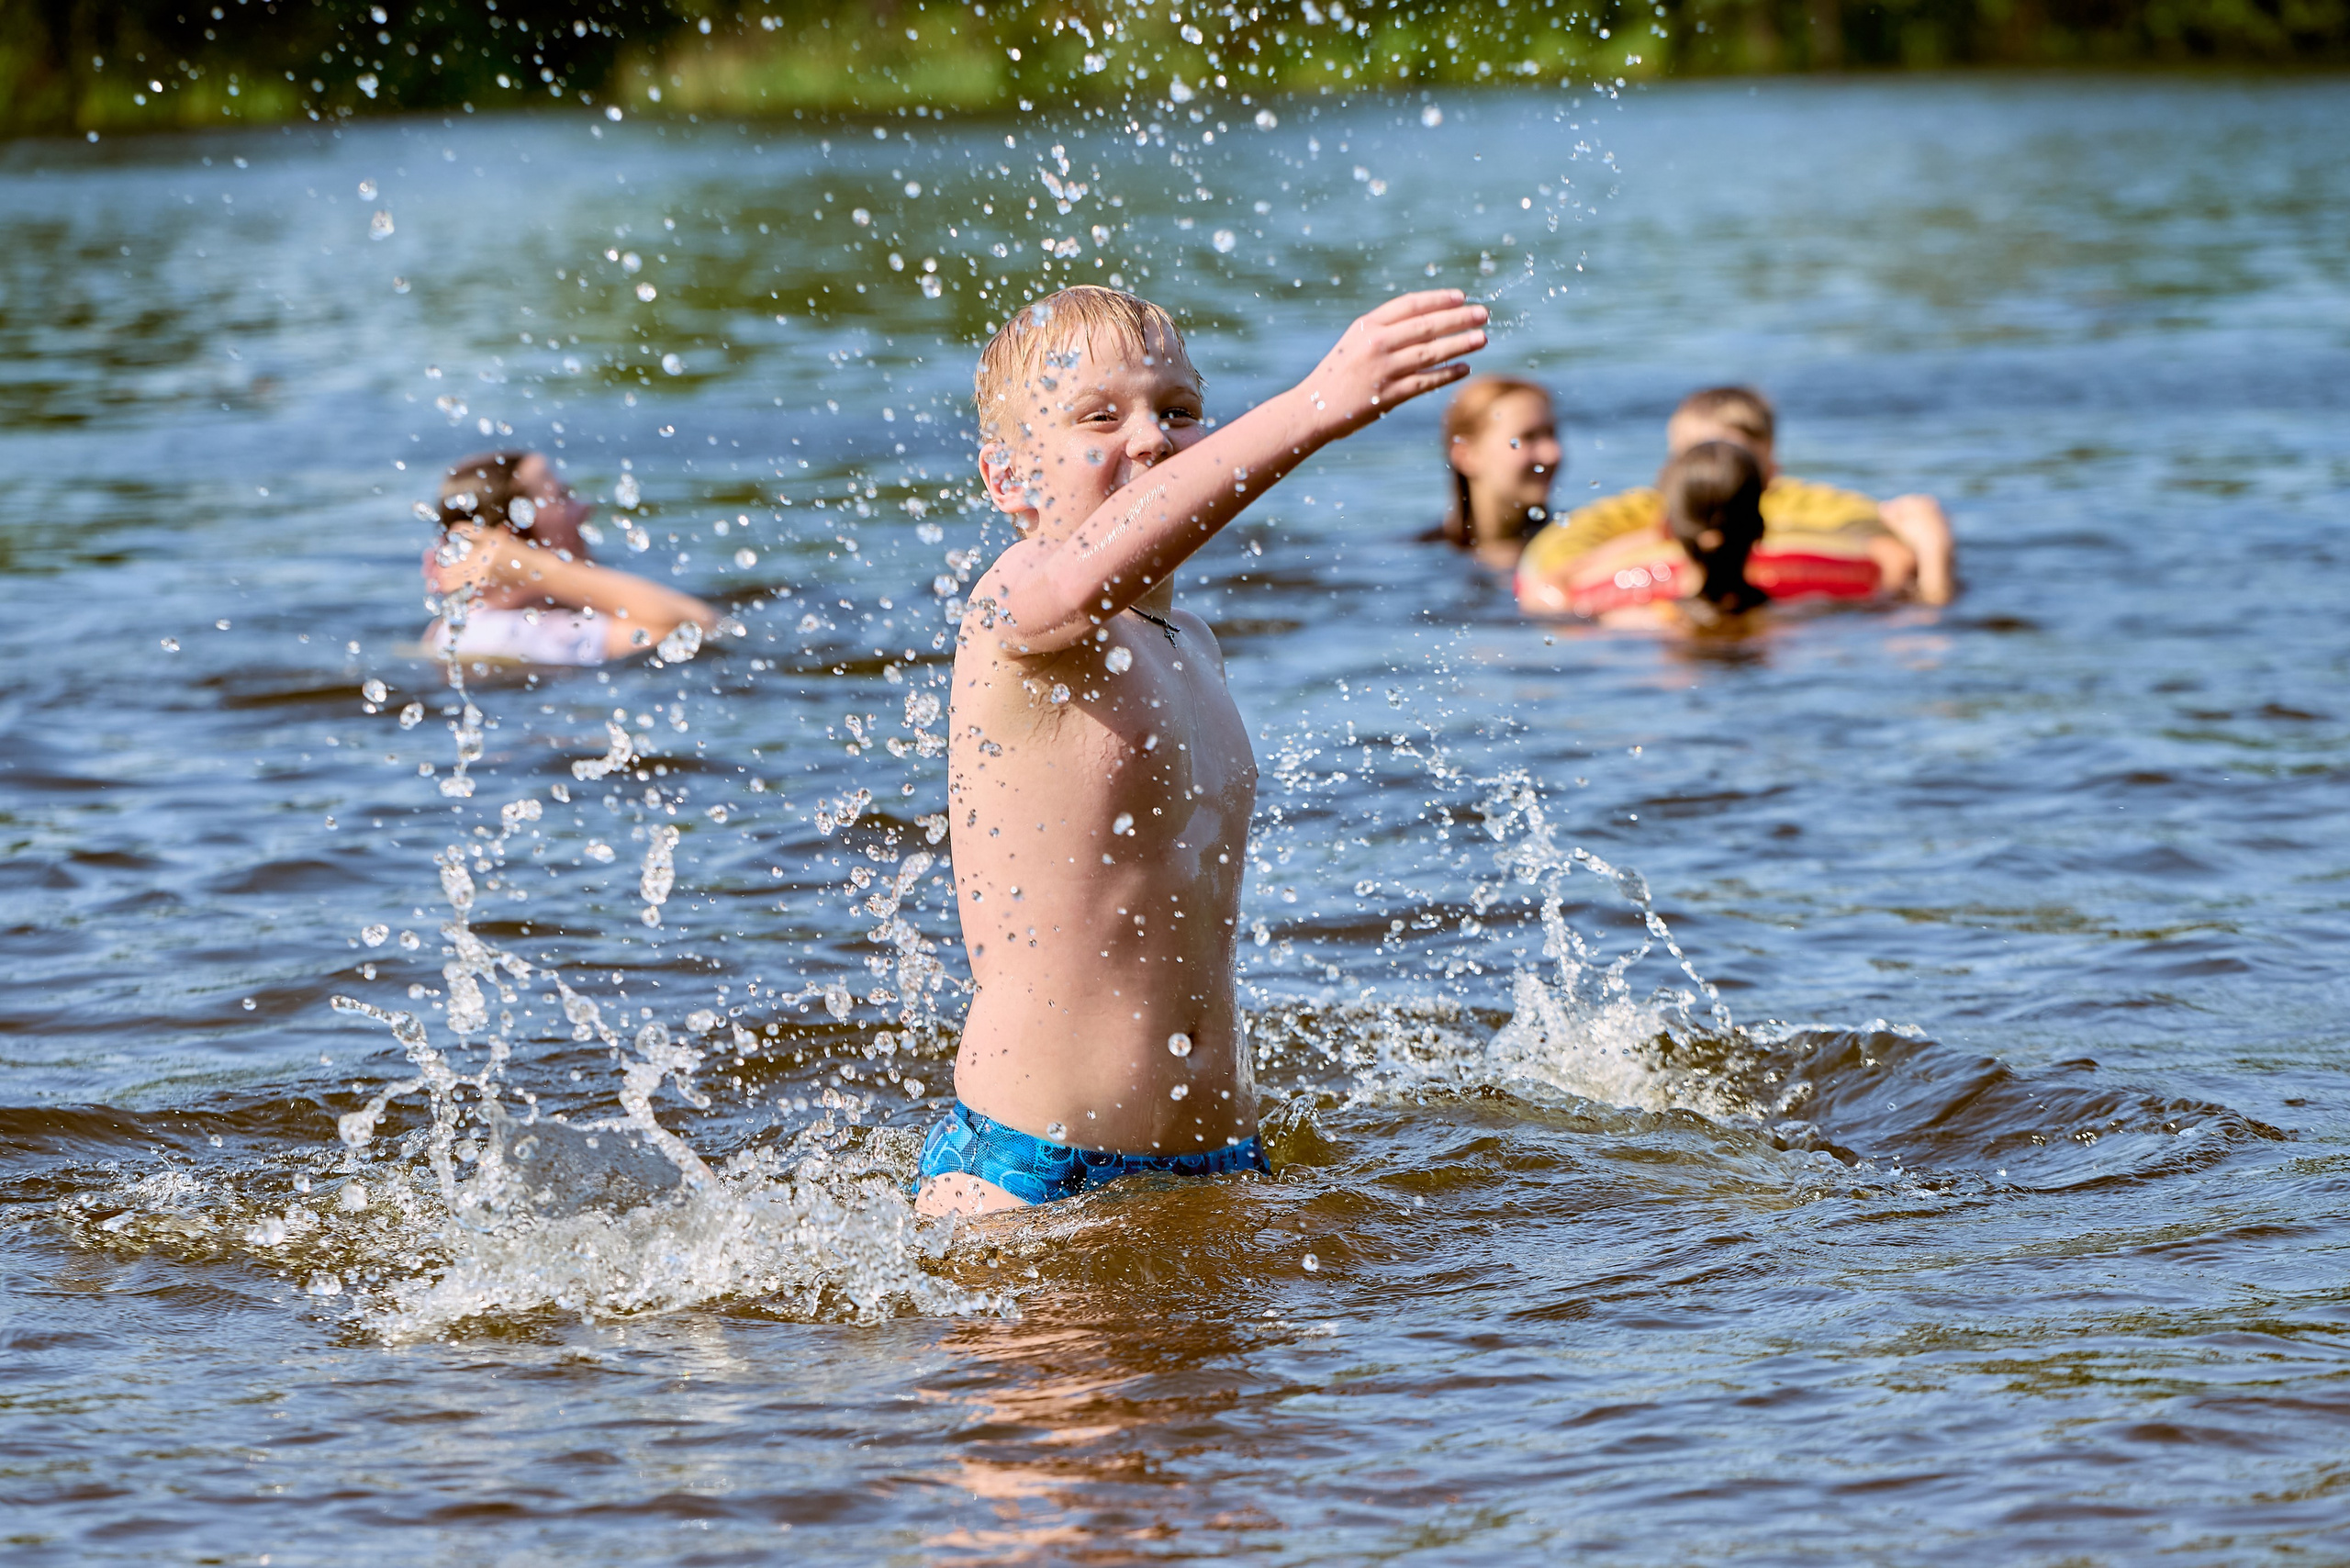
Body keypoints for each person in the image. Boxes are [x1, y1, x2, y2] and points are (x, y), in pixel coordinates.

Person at [916, 284, 1489, 1216]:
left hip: (1216, 1161)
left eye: (1177, 411)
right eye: (1099, 416)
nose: (1151, 439)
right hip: (1033, 1173)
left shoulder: (1191, 644)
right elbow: (1074, 577)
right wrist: (1314, 408)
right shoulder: (1016, 605)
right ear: (1006, 479)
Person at [1515, 385, 1956, 622]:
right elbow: (1898, 575)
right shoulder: (1804, 614)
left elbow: (1547, 592)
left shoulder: (1635, 621)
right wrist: (1934, 554)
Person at [420, 450, 716, 666]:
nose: (584, 509)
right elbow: (699, 627)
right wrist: (539, 568)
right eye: (562, 496)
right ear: (510, 536)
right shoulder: (514, 632)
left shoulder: (461, 628)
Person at [1432, 375, 1562, 569]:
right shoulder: (1418, 556)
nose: (1553, 454)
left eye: (1551, 434)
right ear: (1466, 455)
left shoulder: (1578, 537)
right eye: (1528, 437)